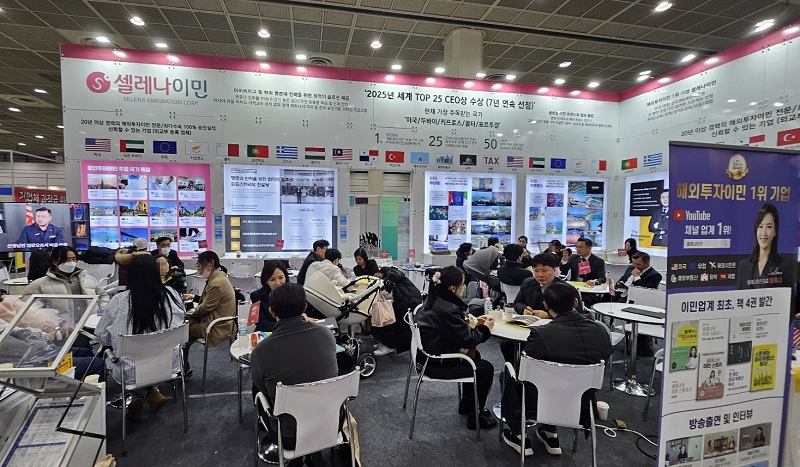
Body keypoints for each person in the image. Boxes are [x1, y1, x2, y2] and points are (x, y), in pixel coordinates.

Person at [501, 281, 612, 457]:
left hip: (538, 401)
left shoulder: (540, 334)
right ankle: (551, 434)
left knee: (508, 373)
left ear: (546, 305)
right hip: (581, 402)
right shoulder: (602, 332)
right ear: (576, 302)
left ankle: (519, 434)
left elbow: (526, 372)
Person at [250, 283, 338, 465]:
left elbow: (263, 389)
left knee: (259, 393)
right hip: (330, 424)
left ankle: (302, 455)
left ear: (272, 311)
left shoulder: (260, 352)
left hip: (288, 435)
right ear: (304, 307)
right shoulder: (326, 335)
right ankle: (311, 454)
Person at [95, 255, 185, 421]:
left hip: (130, 372)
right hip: (167, 365)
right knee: (146, 357)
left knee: (114, 356)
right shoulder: (172, 295)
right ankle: (149, 393)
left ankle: (138, 396)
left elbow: (101, 336)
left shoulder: (118, 301)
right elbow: (181, 325)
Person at [415, 266, 497, 430]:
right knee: (486, 369)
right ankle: (475, 417)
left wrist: (475, 323)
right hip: (436, 364)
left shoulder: (435, 300)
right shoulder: (447, 309)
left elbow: (455, 328)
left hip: (427, 357)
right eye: (463, 284)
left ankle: (467, 405)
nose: (464, 287)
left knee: (476, 356)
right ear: (453, 288)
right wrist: (485, 328)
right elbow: (468, 340)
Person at [181, 251, 236, 376]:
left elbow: (204, 308)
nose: (198, 268)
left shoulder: (216, 283)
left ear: (211, 263)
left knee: (179, 332)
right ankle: (183, 367)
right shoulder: (219, 277)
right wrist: (193, 301)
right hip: (218, 320)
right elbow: (208, 302)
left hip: (215, 327)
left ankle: (181, 369)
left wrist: (187, 313)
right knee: (184, 324)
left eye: (199, 264)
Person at [24, 246, 110, 311]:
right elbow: (32, 308)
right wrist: (57, 322)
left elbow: (103, 296)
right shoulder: (39, 285)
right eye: (67, 259)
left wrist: (102, 311)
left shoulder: (88, 278)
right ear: (55, 261)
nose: (71, 263)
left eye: (74, 259)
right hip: (60, 327)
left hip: (89, 323)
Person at [738, 203, 792, 290]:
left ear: (775, 231)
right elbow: (739, 297)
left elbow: (790, 297)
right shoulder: (743, 266)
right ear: (756, 230)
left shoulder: (785, 266)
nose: (764, 233)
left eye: (769, 227)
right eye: (760, 226)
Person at [371, 267, 422, 356]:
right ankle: (385, 343)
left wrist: (386, 283)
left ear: (381, 273)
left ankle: (389, 346)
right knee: (388, 322)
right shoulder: (390, 276)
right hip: (405, 300)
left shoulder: (392, 272)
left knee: (392, 324)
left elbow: (394, 275)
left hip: (409, 301)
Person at [250, 260, 289, 332]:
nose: (278, 283)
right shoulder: (257, 296)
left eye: (281, 278)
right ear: (266, 281)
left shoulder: (294, 292)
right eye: (272, 279)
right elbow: (261, 324)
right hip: (269, 333)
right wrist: (286, 326)